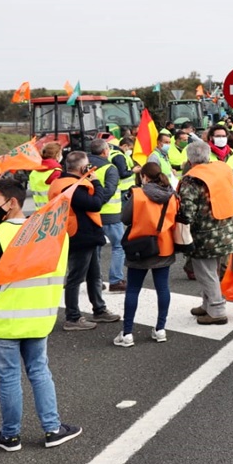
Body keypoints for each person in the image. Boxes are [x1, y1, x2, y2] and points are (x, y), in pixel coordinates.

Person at [0, 179, 83, 452]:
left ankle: (10, 436)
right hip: (40, 318)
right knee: (40, 372)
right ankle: (53, 429)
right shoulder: (54, 235)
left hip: (2, 322)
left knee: (9, 378)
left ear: (12, 203)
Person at [53, 151, 120, 331]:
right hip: (80, 235)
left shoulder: (61, 182)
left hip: (81, 234)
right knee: (76, 278)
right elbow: (96, 203)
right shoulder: (72, 186)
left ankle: (99, 309)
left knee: (93, 275)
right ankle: (73, 318)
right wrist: (96, 180)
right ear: (83, 167)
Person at [114, 162, 179, 347]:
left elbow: (125, 219)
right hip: (164, 245)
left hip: (139, 246)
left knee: (133, 289)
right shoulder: (171, 195)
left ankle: (127, 333)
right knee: (163, 288)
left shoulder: (138, 194)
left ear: (144, 176)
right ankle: (160, 329)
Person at [178, 142, 233, 325]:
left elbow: (187, 212)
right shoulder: (221, 171)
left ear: (189, 159)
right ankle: (207, 305)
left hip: (204, 236)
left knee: (206, 273)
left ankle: (217, 309)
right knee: (212, 271)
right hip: (228, 231)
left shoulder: (191, 180)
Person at [89, 139, 125, 292]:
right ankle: (116, 280)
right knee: (119, 246)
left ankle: (96, 281)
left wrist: (92, 204)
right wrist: (98, 202)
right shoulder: (110, 167)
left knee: (95, 249)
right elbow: (109, 191)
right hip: (110, 214)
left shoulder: (85, 166)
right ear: (105, 151)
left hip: (92, 214)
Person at [28, 142, 63, 210]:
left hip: (39, 211)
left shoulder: (33, 172)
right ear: (57, 155)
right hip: (54, 211)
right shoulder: (56, 172)